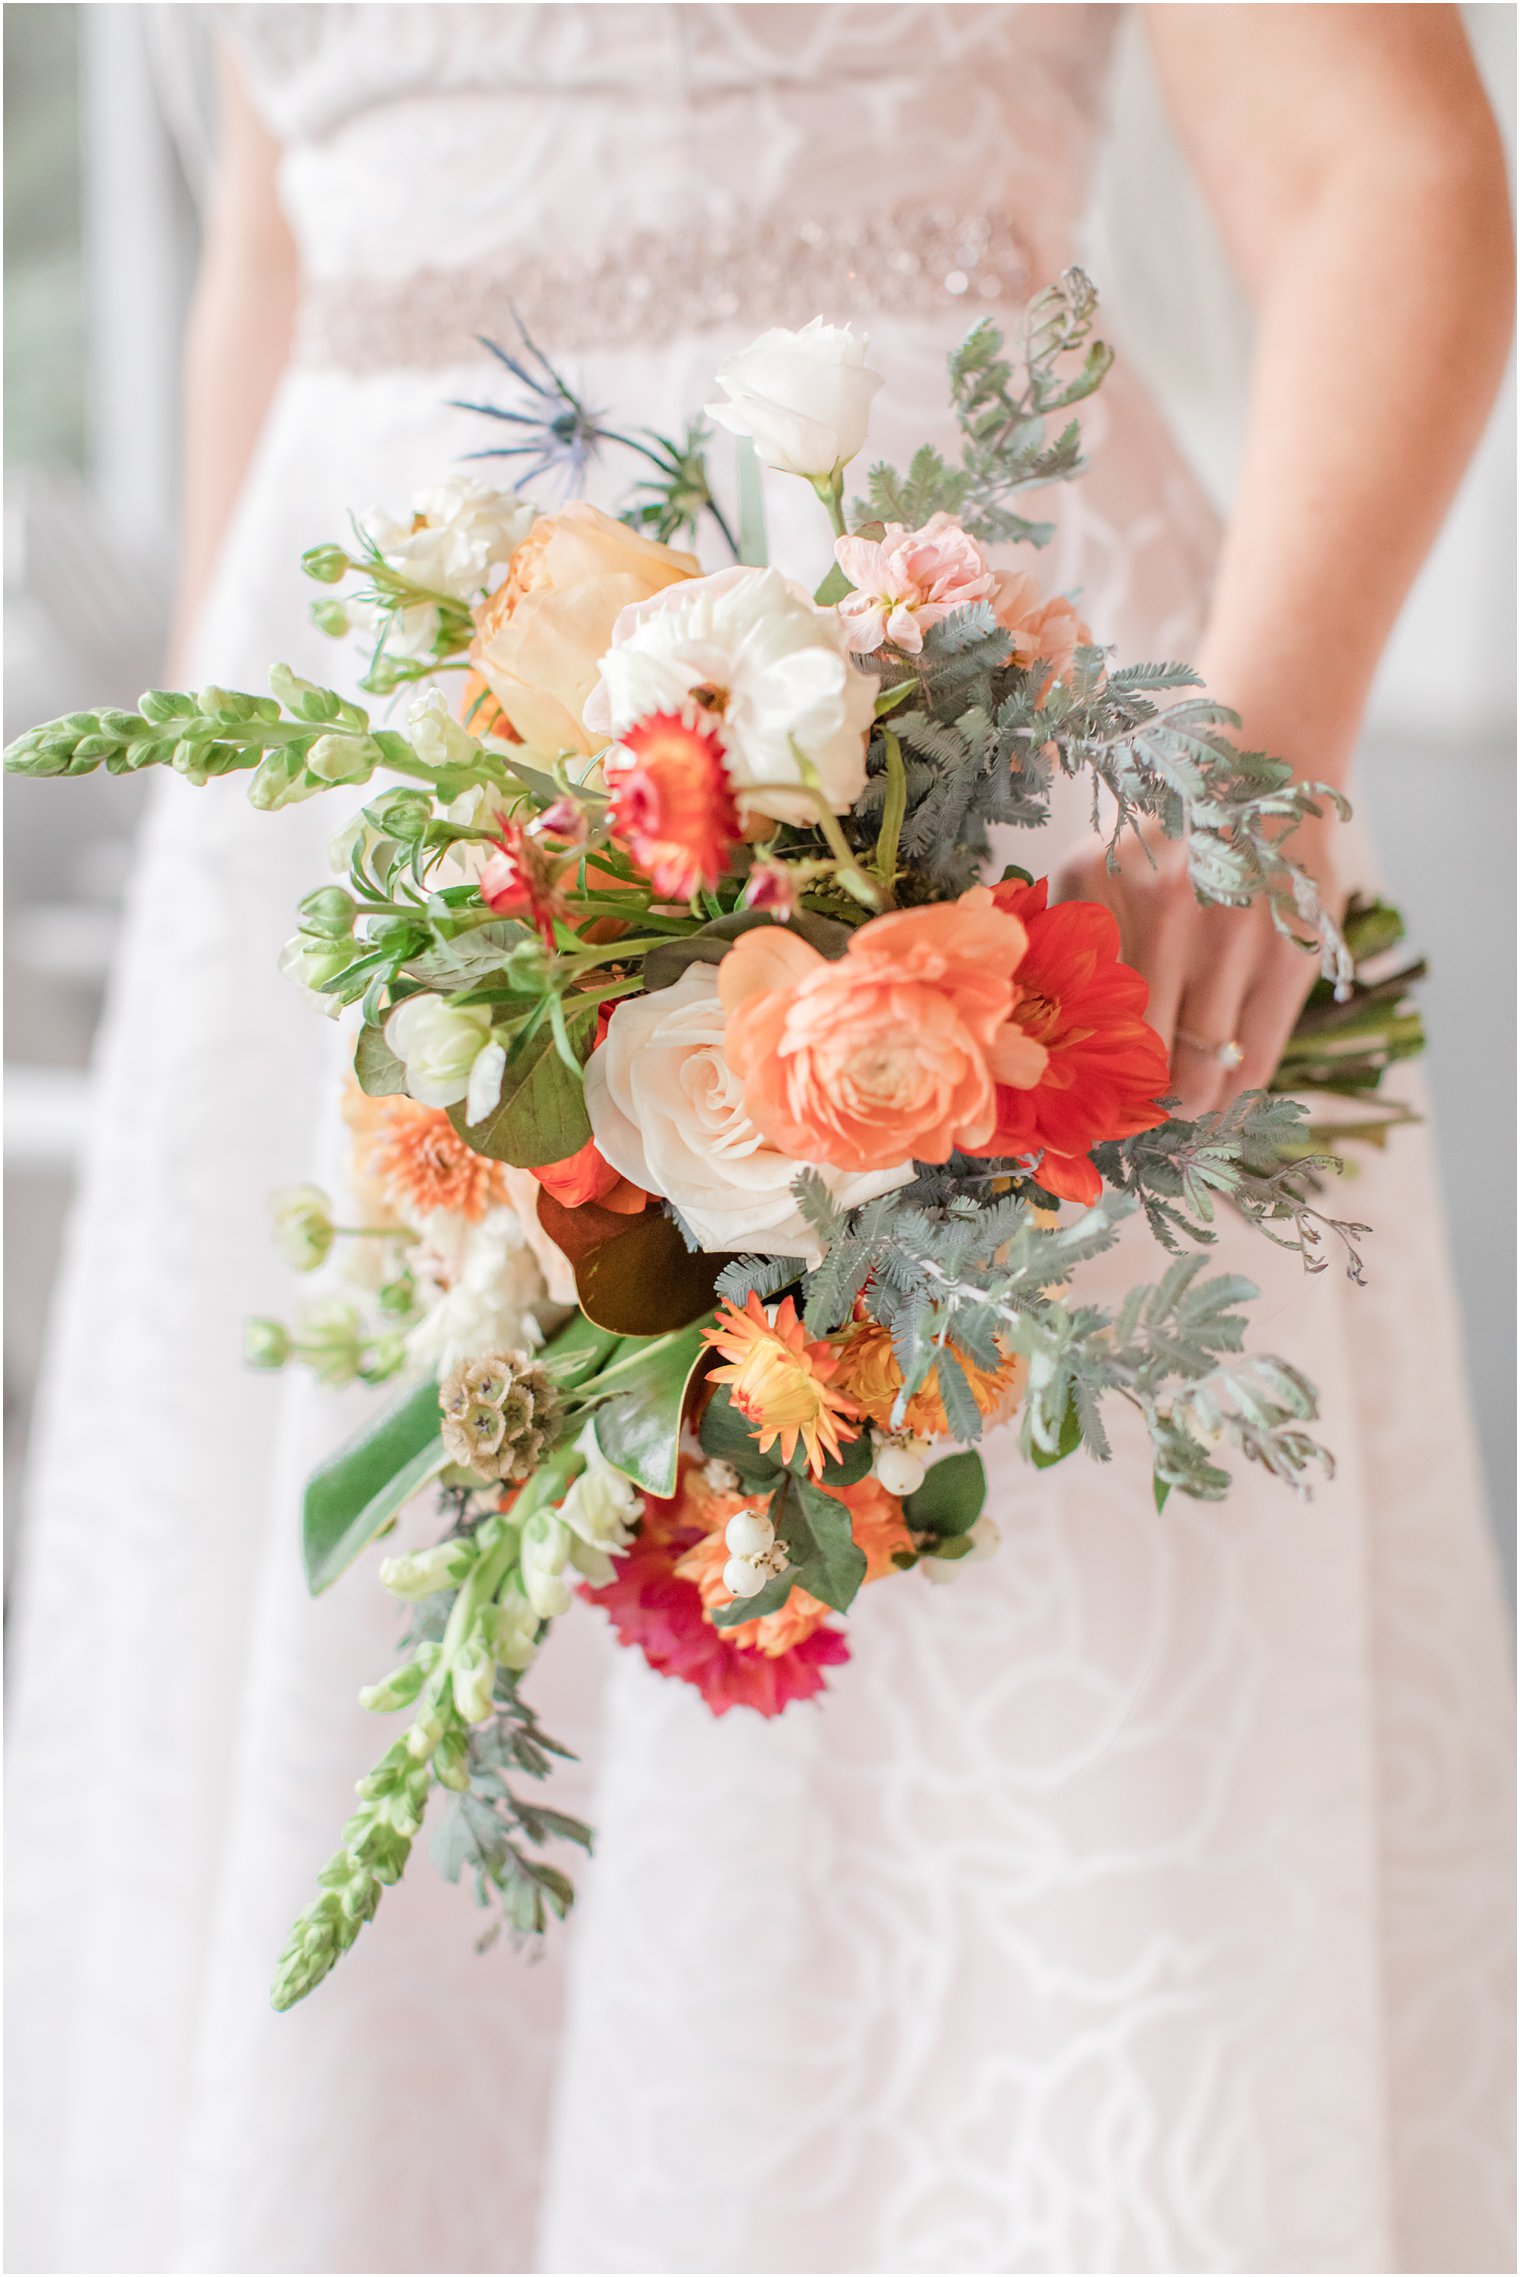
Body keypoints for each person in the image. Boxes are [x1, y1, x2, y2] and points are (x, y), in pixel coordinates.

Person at [6, 7, 1512, 2271]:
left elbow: (1382, 175)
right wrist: (244, 889)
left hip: (964, 792)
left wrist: (1261, 761)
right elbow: (278, 263)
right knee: (385, 1815)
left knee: (966, 1800)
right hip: (368, 845)